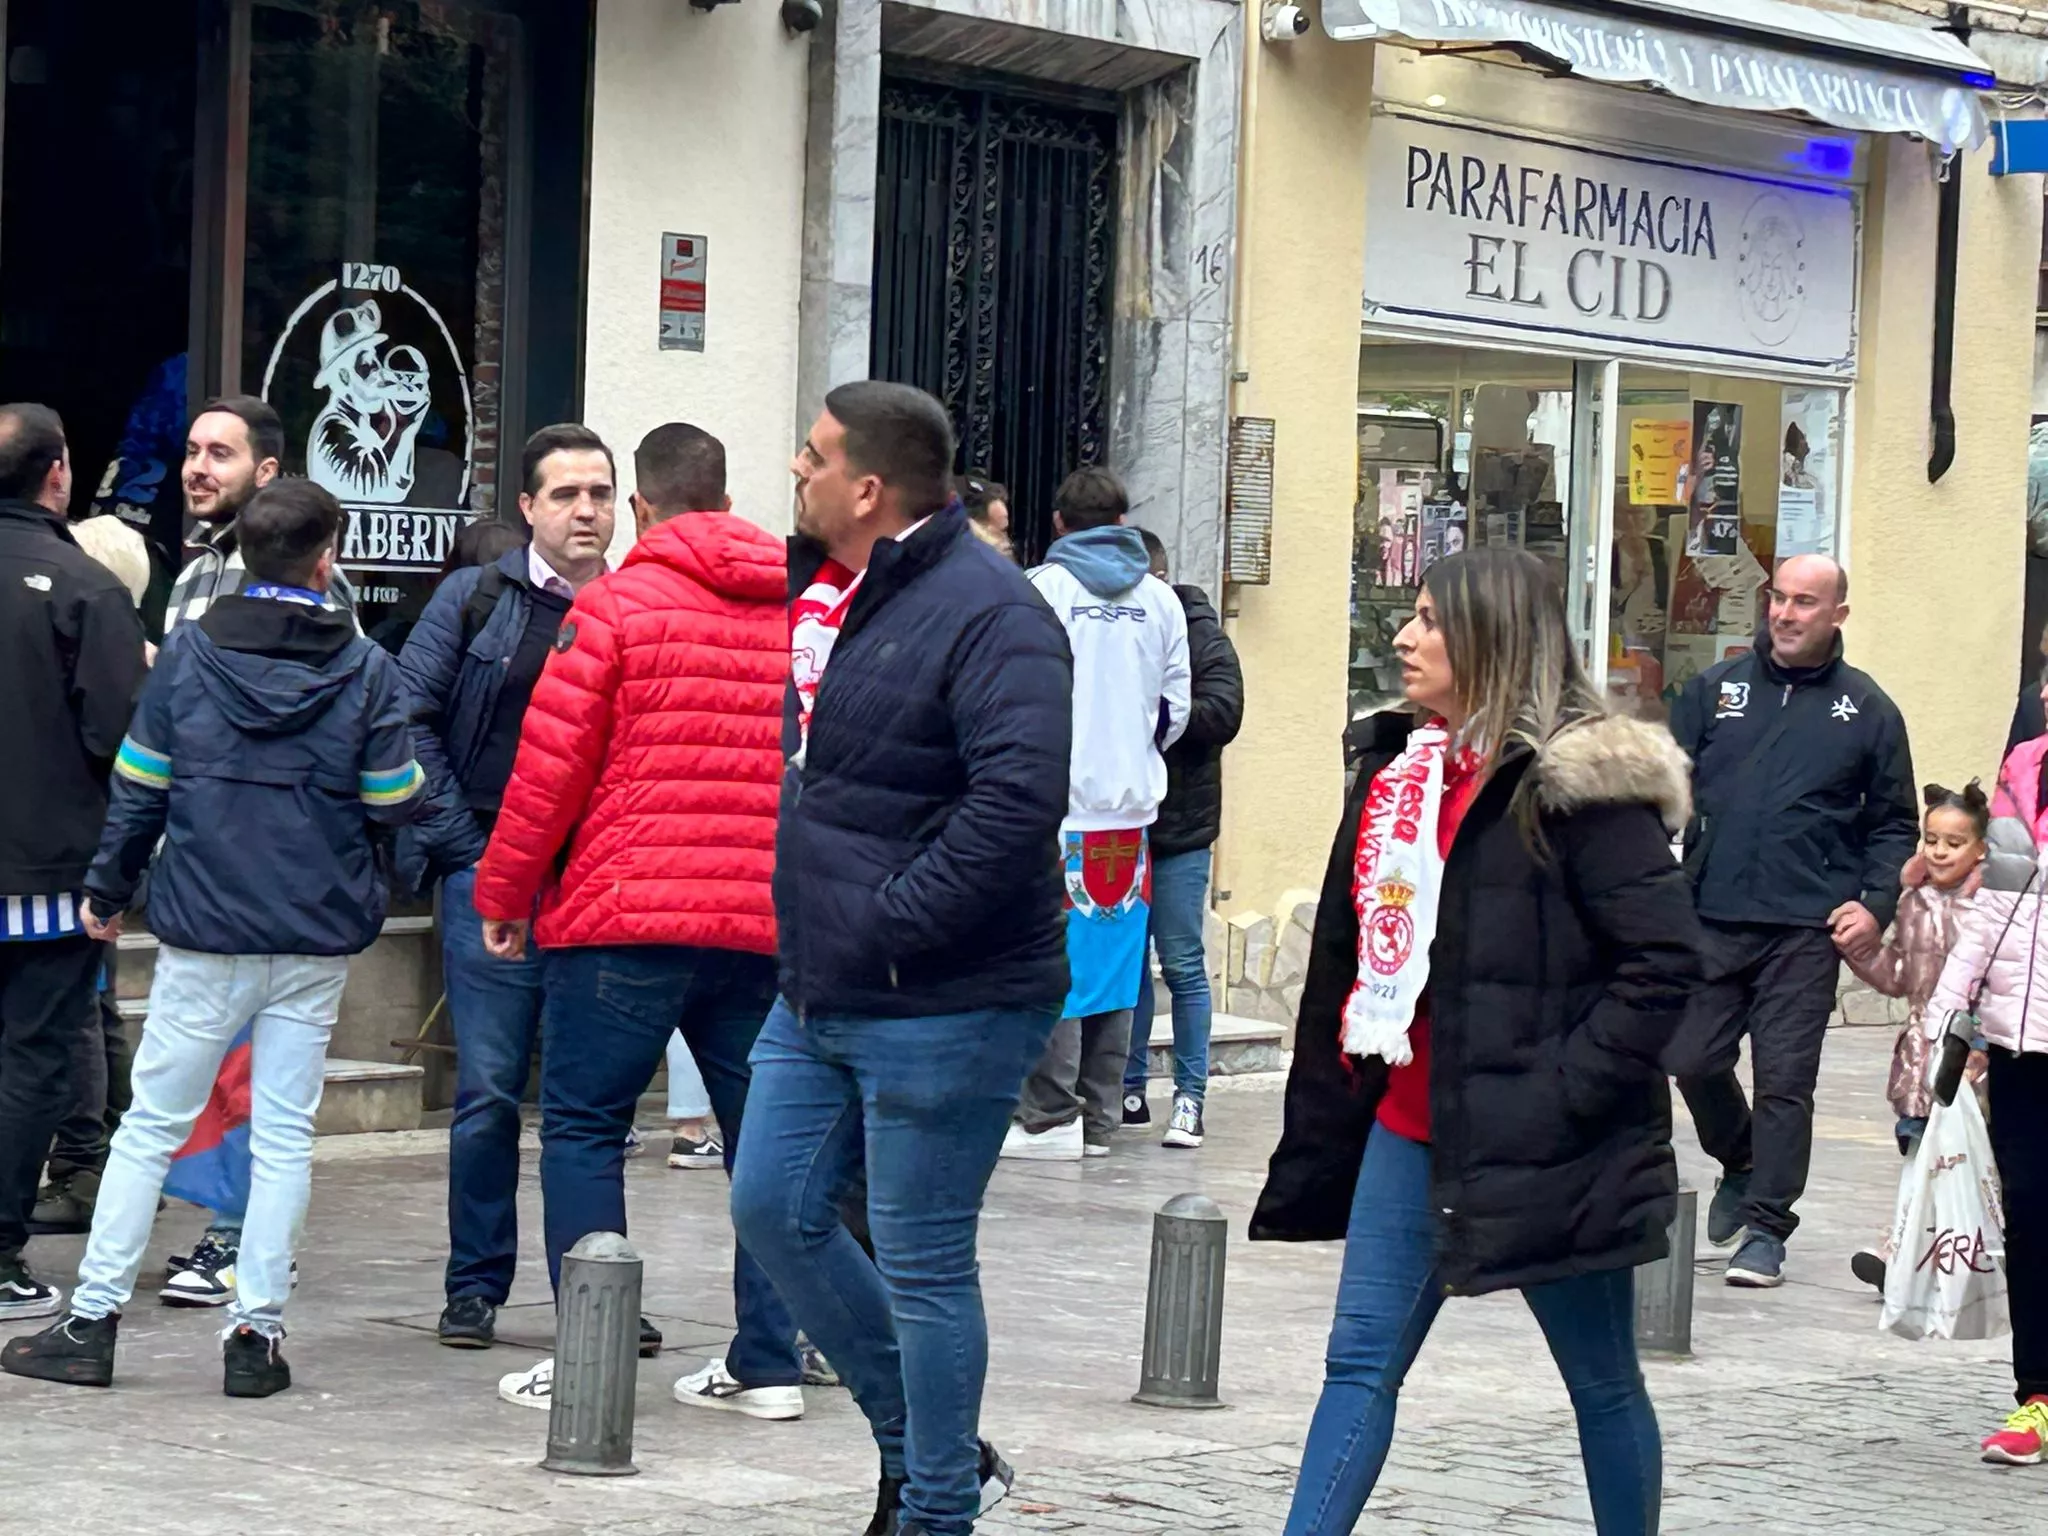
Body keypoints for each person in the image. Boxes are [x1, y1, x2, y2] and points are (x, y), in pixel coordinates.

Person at [1251, 548, 1700, 1536]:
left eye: (1427, 619)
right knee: (1357, 1362)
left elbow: (1663, 967)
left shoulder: (1580, 785)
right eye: (1405, 617)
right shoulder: (1397, 772)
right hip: (1409, 1128)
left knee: (1601, 1382)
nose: (1404, 638)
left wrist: (1556, 1093)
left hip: (1551, 1147)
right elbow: (1346, 948)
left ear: (1492, 637)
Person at [730, 381, 1072, 1536]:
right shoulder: (845, 590)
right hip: (821, 983)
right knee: (771, 1207)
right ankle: (926, 1449)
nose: (795, 470)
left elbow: (1017, 801)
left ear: (867, 488)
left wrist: (888, 920)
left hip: (946, 996)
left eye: (813, 457)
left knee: (925, 1264)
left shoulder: (992, 610)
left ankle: (933, 1509)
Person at [1, 479, 425, 1396]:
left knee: (149, 1125)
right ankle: (255, 1337)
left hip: (204, 926)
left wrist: (107, 889)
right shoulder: (365, 668)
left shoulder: (189, 657)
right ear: (327, 558)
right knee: (282, 1136)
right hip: (313, 931)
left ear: (242, 554)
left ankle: (92, 1321)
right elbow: (395, 798)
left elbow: (140, 785)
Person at [468, 422, 803, 1418]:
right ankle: (768, 1367)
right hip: (758, 920)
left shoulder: (612, 608)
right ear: (728, 496)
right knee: (766, 1144)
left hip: (622, 915)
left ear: (644, 508)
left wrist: (503, 895)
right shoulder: (796, 611)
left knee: (581, 1129)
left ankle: (592, 1357)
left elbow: (550, 770)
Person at [395, 424, 618, 1350]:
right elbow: (407, 723)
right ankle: (476, 1284)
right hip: (490, 873)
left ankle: (594, 1296)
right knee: (488, 1089)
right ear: (527, 508)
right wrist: (461, 849)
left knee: (585, 1105)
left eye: (600, 493)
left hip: (596, 887)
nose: (586, 511)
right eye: (566, 495)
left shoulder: (634, 606)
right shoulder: (474, 599)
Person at [153, 396, 361, 1307]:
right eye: (194, 451)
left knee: (253, 1087)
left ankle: (236, 1248)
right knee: (220, 1080)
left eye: (222, 455)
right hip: (203, 867)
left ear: (268, 473)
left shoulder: (313, 587)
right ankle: (229, 1243)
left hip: (270, 879)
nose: (201, 468)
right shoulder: (199, 568)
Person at [1666, 553, 1918, 1289]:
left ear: (1837, 614)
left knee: (1785, 1081)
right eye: (1778, 598)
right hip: (1711, 915)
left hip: (1807, 929)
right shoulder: (1717, 691)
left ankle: (1768, 1230)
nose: (1785, 613)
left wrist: (1874, 907)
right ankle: (1741, 1160)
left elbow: (1894, 826)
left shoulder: (1867, 711)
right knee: (1688, 1056)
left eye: (1805, 602)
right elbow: (1662, 789)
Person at [0, 404, 149, 1320]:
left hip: (50, 867)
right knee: (34, 1060)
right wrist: (121, 871)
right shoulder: (84, 586)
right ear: (58, 474)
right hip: (52, 876)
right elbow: (122, 740)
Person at [1005, 468, 1188, 1162]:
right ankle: (1102, 1115)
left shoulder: (1038, 592)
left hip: (1053, 810)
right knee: (1113, 961)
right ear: (1122, 520)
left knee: (1052, 960)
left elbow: (1011, 697)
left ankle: (1048, 1116)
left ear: (1057, 523)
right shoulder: (1163, 602)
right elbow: (1176, 711)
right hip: (1129, 813)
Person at [1925, 722, 2048, 1464]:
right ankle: (2037, 1398)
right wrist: (1950, 1009)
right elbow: (1992, 912)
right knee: (2032, 1213)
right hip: (2018, 1038)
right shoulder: (2024, 769)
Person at [30, 515, 155, 1235]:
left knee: (83, 1007)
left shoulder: (115, 652)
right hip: (100, 853)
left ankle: (84, 1160)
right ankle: (110, 1151)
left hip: (91, 855)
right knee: (96, 1004)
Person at [1843, 780, 1993, 1290]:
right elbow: (1902, 978)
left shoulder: (1993, 907)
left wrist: (1984, 1047)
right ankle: (1908, 1252)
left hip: (1974, 1061)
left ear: (1980, 849)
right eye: (1931, 840)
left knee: (1967, 1164)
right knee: (1920, 1154)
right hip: (1919, 1059)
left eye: (1954, 843)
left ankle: (1920, 1251)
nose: (1939, 851)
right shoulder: (1915, 902)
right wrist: (1862, 952)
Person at [1120, 529, 1241, 1150]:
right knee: (1129, 965)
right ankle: (1131, 1088)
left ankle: (1190, 1098)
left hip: (1181, 828)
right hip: (1122, 821)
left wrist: (1159, 712)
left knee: (1183, 962)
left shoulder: (1200, 629)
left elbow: (1225, 712)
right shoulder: (1119, 627)